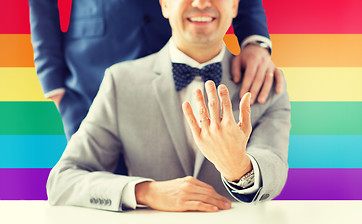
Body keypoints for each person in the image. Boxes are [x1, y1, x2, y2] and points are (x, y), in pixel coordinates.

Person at [46, 0, 291, 212]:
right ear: (164, 4)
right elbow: (62, 180)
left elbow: (274, 169)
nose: (201, 3)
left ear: (236, 4)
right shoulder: (121, 83)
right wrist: (145, 192)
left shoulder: (265, 83)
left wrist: (238, 167)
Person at [28, 0, 283, 139]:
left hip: (182, 60)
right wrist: (53, 82)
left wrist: (254, 41)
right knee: (98, 195)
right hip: (90, 75)